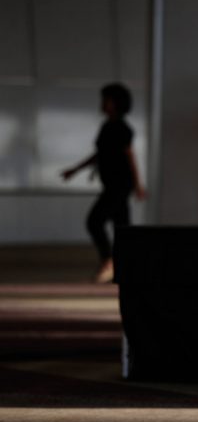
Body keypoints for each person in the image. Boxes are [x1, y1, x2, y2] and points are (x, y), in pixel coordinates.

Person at [61, 83, 146, 283]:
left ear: (117, 103)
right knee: (122, 227)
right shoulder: (106, 127)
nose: (103, 103)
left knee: (95, 221)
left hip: (120, 185)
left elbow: (130, 157)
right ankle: (124, 269)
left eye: (107, 100)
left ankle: (109, 261)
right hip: (111, 184)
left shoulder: (123, 128)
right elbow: (99, 155)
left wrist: (138, 184)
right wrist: (75, 170)